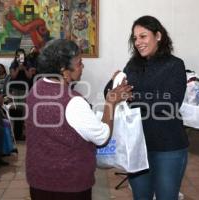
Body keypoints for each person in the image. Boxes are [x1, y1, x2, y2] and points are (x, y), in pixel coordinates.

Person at [25, 39, 132, 200]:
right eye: (79, 63)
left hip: (38, 177)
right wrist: (111, 103)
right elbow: (102, 137)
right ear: (64, 70)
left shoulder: (36, 88)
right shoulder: (72, 101)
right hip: (68, 183)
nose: (82, 67)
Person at [123, 16, 188, 200]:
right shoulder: (132, 65)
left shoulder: (174, 65)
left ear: (158, 35)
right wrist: (115, 84)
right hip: (137, 147)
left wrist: (133, 96)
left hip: (168, 148)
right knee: (141, 197)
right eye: (135, 38)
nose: (138, 42)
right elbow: (111, 91)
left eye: (143, 36)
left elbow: (171, 103)